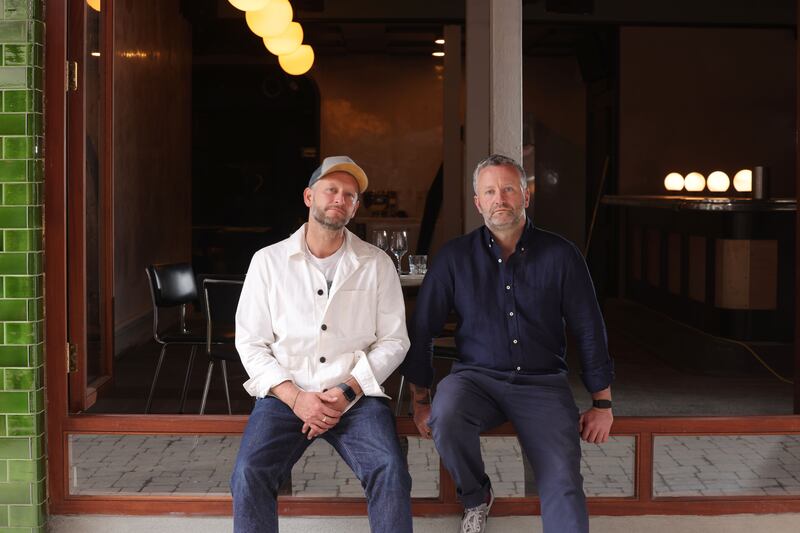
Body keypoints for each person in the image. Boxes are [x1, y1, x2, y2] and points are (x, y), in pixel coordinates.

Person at [401, 154, 615, 533]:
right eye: (490, 191)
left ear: (526, 197)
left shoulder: (562, 254)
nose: (500, 198)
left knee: (563, 482)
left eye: (508, 189)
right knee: (445, 414)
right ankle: (475, 497)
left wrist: (602, 402)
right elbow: (423, 330)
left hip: (542, 384)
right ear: (478, 202)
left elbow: (589, 328)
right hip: (475, 380)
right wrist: (421, 401)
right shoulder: (454, 257)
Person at [231, 156, 413, 533]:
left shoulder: (376, 263)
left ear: (356, 206)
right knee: (249, 473)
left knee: (390, 470)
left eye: (350, 195)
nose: (340, 199)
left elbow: (395, 341)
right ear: (309, 195)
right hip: (286, 396)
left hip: (356, 398)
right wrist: (297, 397)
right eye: (331, 190)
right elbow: (250, 343)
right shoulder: (268, 261)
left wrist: (348, 390)